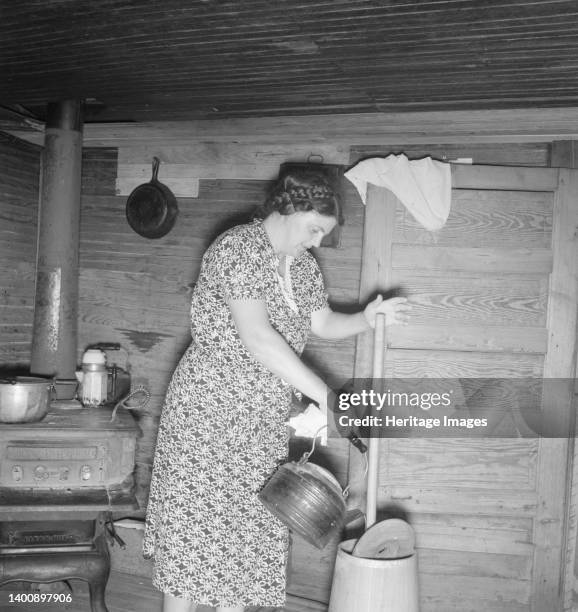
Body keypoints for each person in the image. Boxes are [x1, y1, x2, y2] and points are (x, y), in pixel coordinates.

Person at [142, 168, 410, 612]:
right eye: (315, 229)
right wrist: (328, 398)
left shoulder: (302, 267)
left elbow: (321, 322)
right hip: (209, 410)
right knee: (195, 532)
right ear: (292, 209)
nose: (319, 241)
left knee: (245, 533)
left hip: (261, 419)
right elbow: (259, 338)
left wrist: (367, 316)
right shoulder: (238, 249)